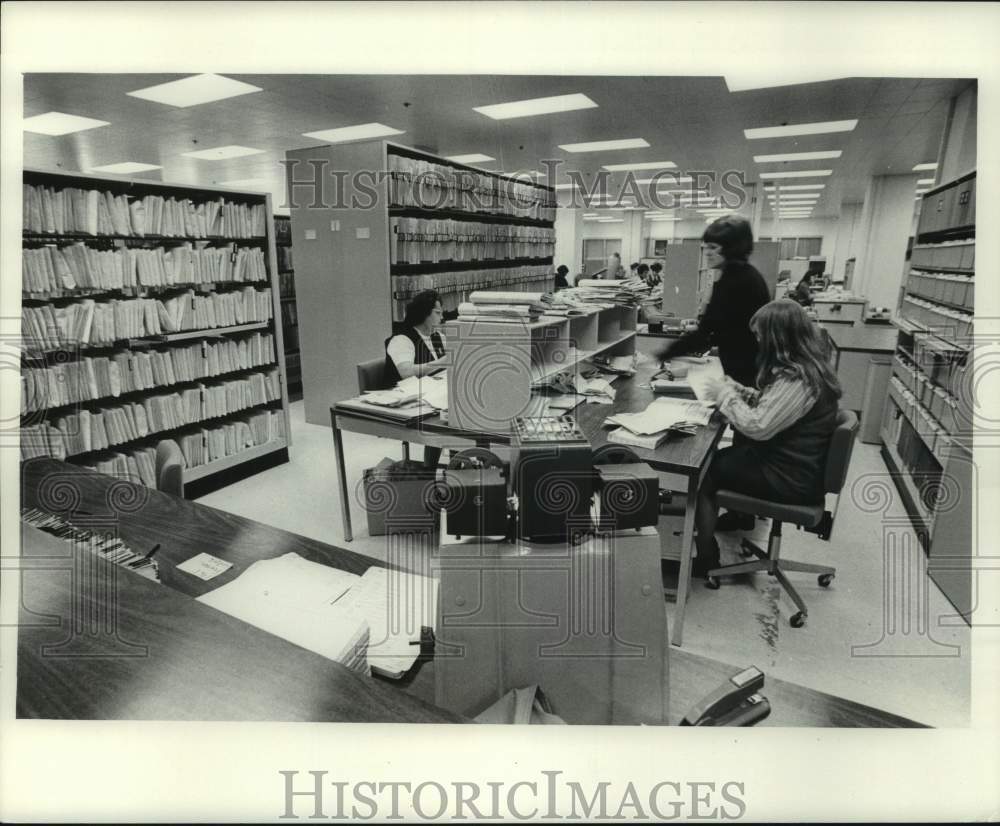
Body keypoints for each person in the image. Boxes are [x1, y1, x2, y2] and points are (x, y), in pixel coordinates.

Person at [693, 300, 843, 587]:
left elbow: (757, 426)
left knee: (704, 472)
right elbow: (776, 409)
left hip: (789, 477)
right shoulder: (809, 370)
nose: (759, 342)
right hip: (797, 468)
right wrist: (740, 391)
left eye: (762, 336)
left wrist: (725, 396)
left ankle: (706, 557)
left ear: (779, 339)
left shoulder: (799, 380)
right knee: (722, 458)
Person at [655, 215, 771, 530]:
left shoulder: (735, 280)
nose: (707, 253)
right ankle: (742, 511)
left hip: (747, 376)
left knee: (735, 449)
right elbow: (722, 329)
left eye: (714, 247)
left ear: (731, 249)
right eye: (705, 246)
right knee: (742, 445)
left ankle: (740, 511)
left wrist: (665, 353)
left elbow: (709, 331)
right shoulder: (746, 276)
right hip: (749, 372)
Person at [385, 289, 447, 467]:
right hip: (403, 399)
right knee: (445, 421)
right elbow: (406, 372)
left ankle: (457, 469)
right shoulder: (402, 339)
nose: (441, 318)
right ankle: (431, 471)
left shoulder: (437, 337)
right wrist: (443, 362)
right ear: (424, 314)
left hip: (429, 394)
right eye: (437, 313)